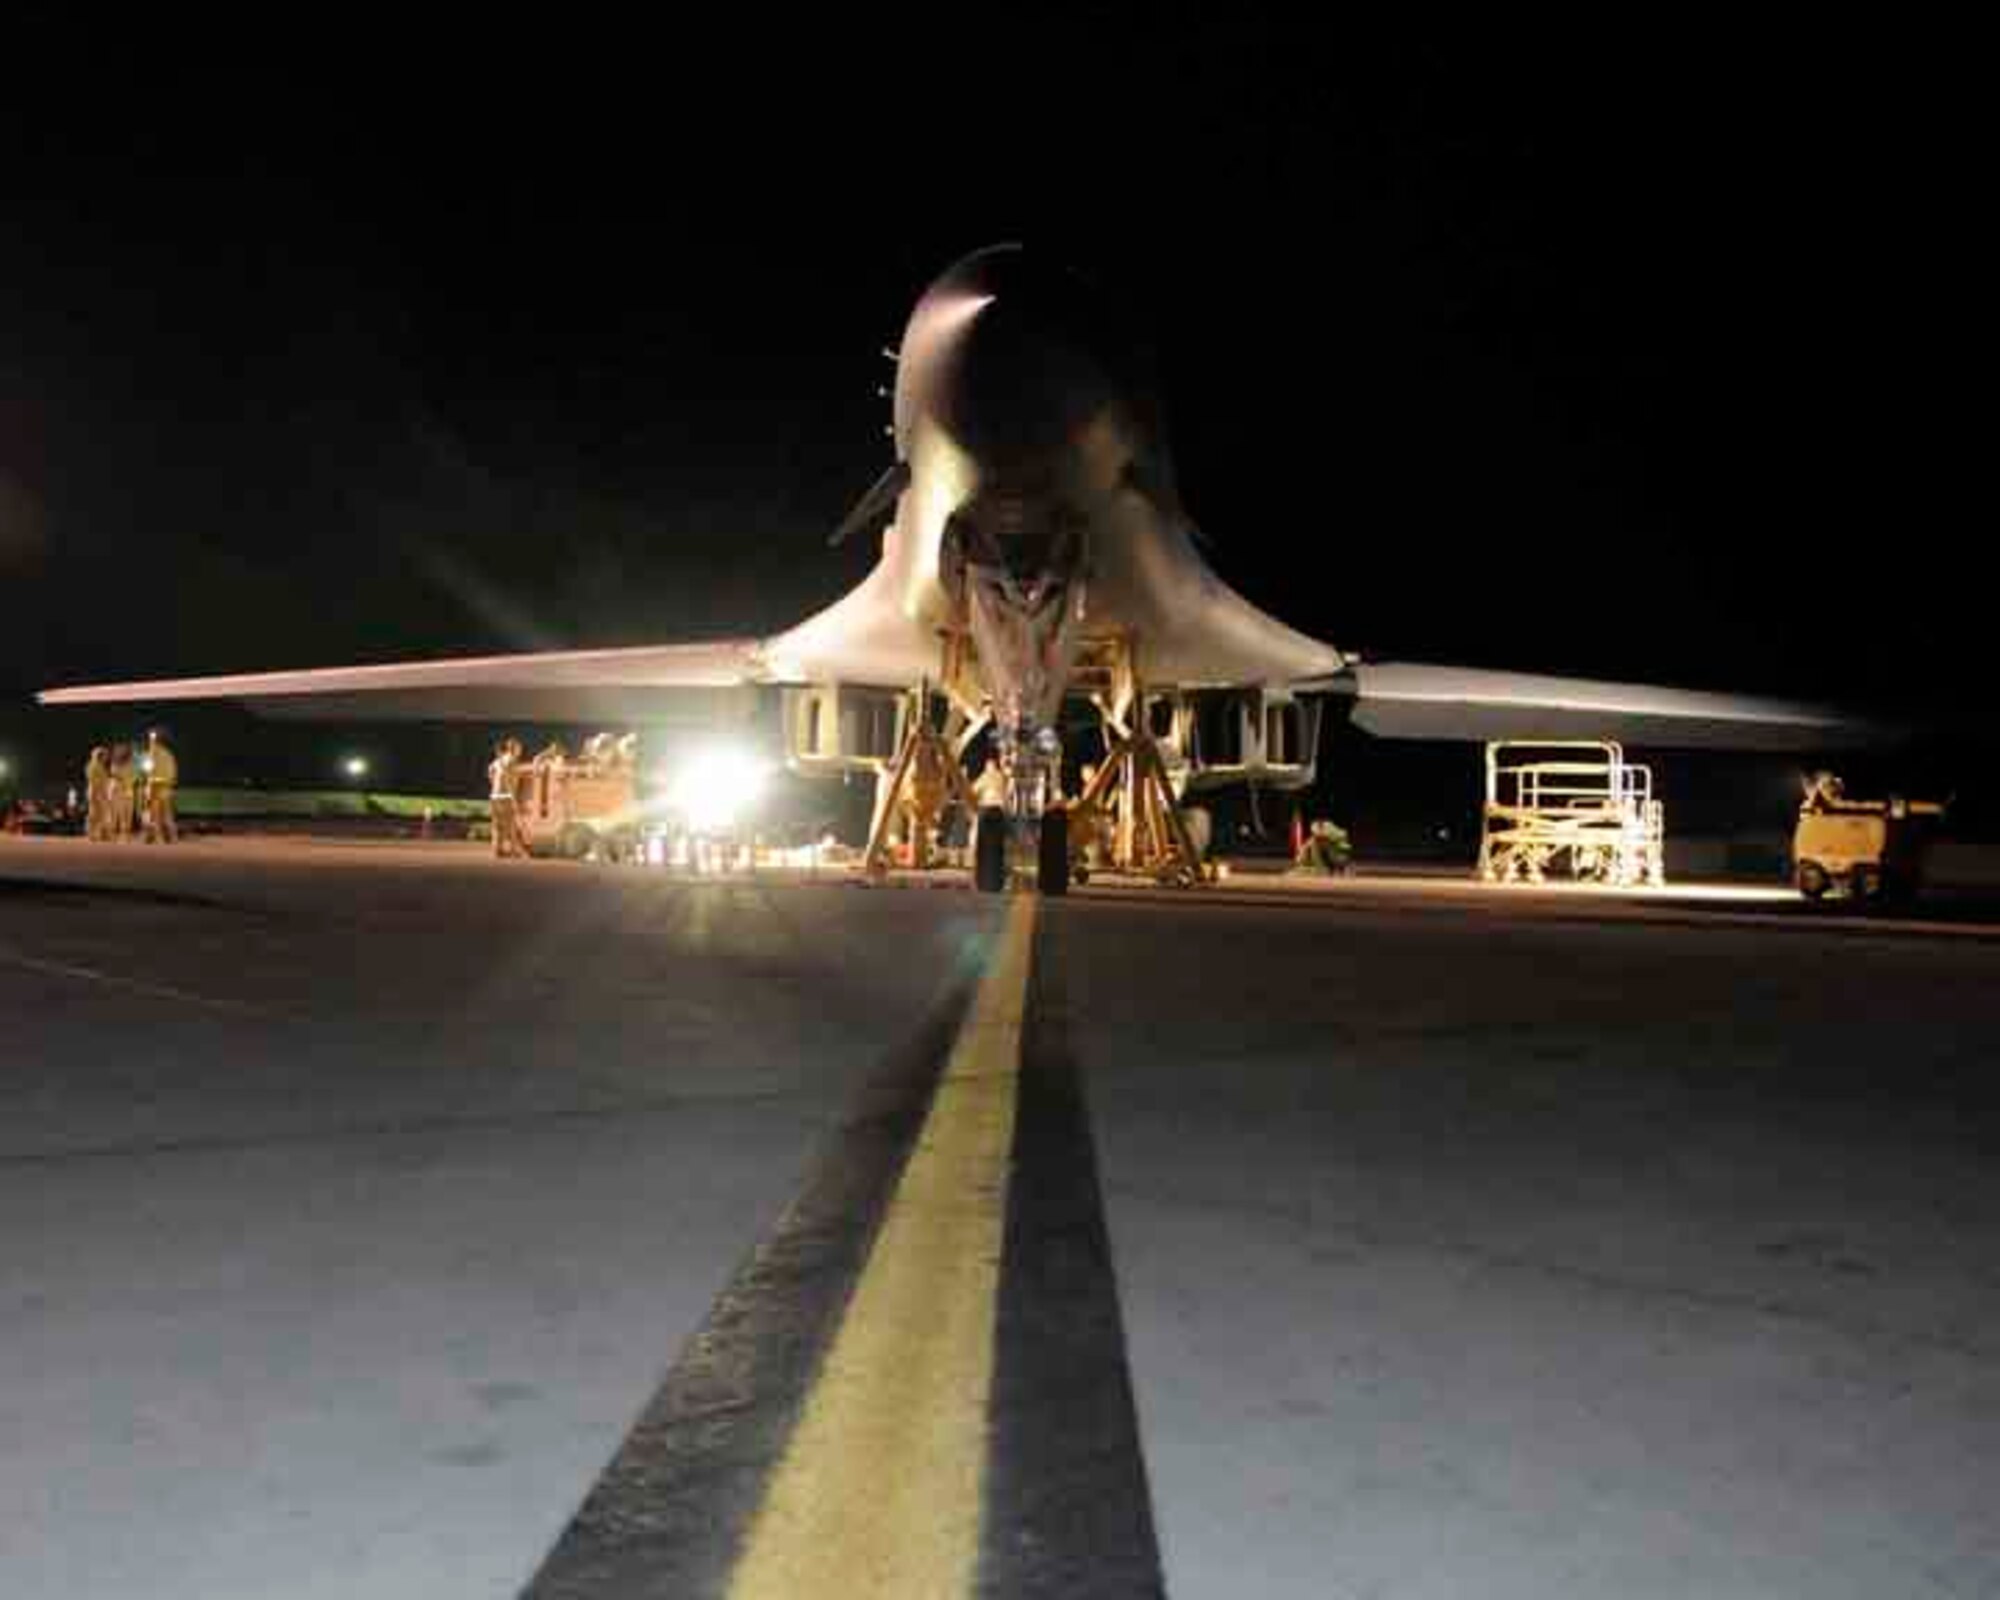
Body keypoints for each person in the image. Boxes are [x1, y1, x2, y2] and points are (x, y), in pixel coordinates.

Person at [488, 737, 529, 859]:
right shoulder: (512, 761)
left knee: (497, 825)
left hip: (494, 795)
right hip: (505, 796)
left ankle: (497, 850)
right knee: (510, 825)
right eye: (519, 748)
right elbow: (508, 780)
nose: (521, 751)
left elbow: (490, 769)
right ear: (514, 749)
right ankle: (515, 851)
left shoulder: (500, 760)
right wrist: (512, 796)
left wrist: (494, 784)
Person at [141, 731, 179, 843]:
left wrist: (150, 782)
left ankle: (157, 837)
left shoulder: (152, 754)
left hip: (156, 787)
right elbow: (173, 773)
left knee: (153, 814)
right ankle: (171, 837)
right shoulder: (168, 754)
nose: (150, 743)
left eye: (152, 741)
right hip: (165, 787)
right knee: (166, 814)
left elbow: (147, 771)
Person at [85, 746, 111, 841]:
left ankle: (100, 834)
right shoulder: (93, 765)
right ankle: (91, 834)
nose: (106, 758)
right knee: (94, 814)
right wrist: (98, 794)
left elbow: (104, 781)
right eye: (104, 755)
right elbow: (93, 781)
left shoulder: (101, 766)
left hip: (101, 792)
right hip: (95, 791)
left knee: (101, 814)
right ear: (100, 756)